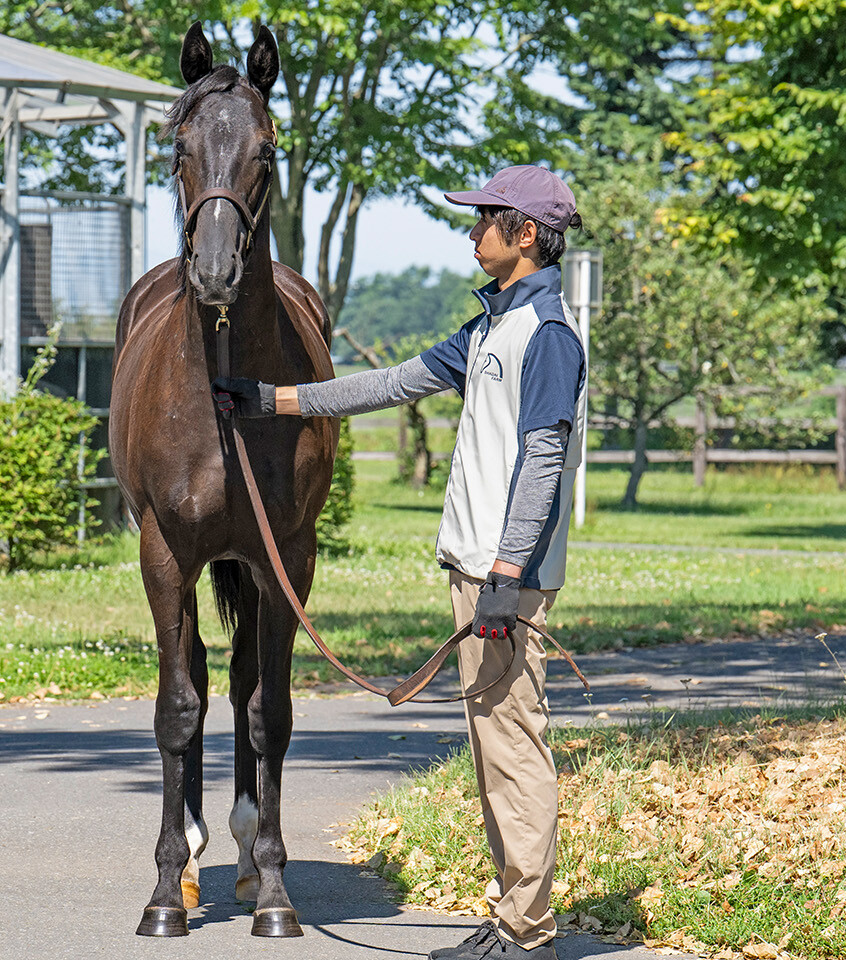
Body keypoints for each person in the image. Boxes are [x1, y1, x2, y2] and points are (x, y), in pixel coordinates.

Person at [213, 164, 586, 960]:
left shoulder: (546, 336)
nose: (471, 230)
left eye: (484, 218)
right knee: (495, 750)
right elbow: (388, 385)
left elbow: (543, 458)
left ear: (525, 234)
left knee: (514, 753)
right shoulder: (489, 329)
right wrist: (274, 400)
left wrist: (508, 576)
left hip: (501, 583)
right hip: (482, 575)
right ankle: (514, 921)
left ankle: (526, 935)